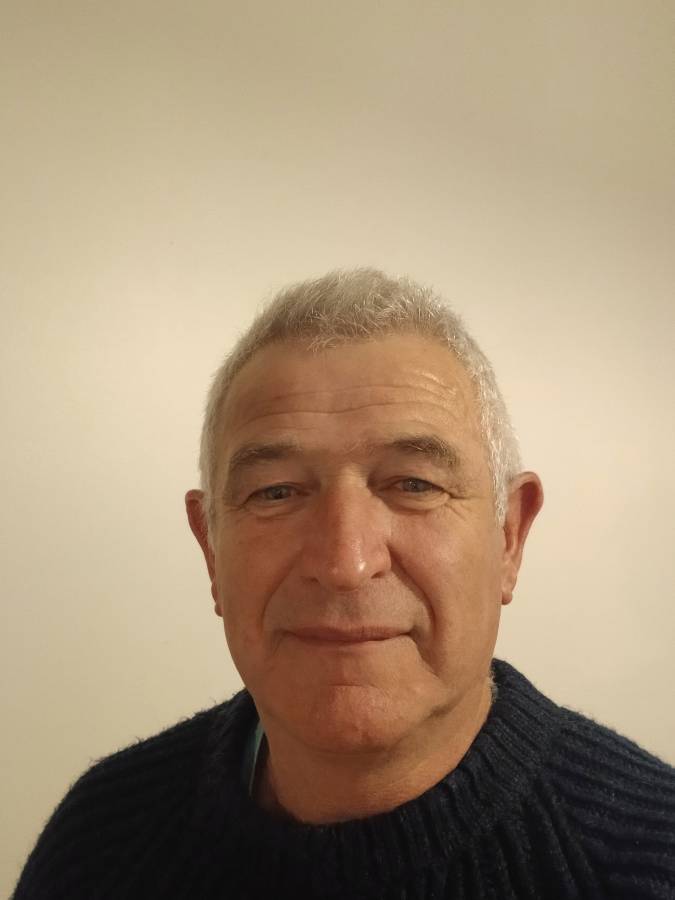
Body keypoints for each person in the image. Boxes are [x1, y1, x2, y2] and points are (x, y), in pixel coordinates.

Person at [13, 269, 675, 899]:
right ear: (210, 547)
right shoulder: (99, 842)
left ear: (509, 537)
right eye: (276, 492)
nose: (345, 562)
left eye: (413, 484)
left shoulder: (653, 863)